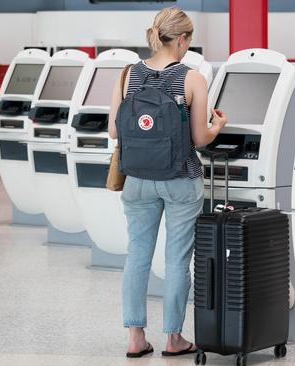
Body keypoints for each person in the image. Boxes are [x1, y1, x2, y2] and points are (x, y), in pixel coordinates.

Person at [108, 6, 228, 358]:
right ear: (181, 39)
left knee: (137, 255)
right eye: (189, 40)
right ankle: (174, 339)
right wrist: (217, 126)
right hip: (180, 180)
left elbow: (115, 129)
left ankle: (135, 337)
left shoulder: (127, 75)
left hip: (137, 180)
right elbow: (200, 137)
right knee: (177, 260)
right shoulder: (192, 78)